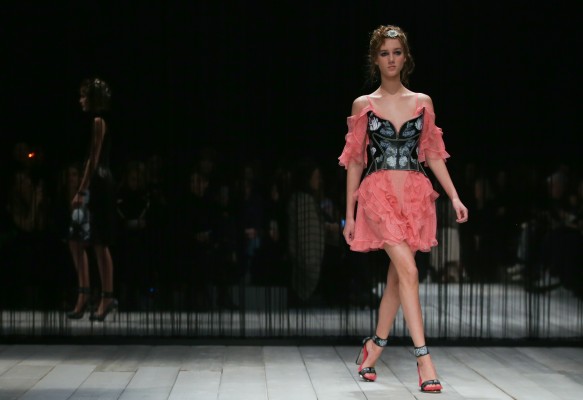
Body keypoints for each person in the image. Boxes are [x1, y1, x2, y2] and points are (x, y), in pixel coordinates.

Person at [338, 25, 468, 393]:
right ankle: (424, 359)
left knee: (399, 277)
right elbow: (355, 162)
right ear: (374, 59)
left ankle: (374, 347)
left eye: (396, 52)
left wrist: (455, 196)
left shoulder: (422, 101)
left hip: (413, 197)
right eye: (384, 53)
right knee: (409, 271)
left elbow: (432, 153)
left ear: (405, 57)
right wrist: (350, 213)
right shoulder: (363, 105)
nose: (391, 59)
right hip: (378, 196)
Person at [66, 77, 118, 322]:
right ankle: (84, 294)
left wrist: (81, 190)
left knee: (99, 242)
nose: (81, 100)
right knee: (75, 239)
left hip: (98, 183)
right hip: (94, 181)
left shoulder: (98, 121)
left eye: (84, 96)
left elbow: (94, 159)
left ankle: (106, 297)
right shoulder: (90, 123)